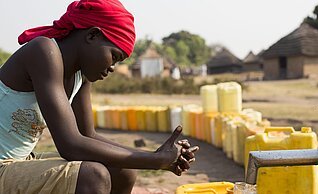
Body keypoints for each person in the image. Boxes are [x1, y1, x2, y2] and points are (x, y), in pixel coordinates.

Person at [0, 0, 199, 193]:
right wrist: (155, 161)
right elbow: (70, 145)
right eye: (114, 56)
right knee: (92, 175)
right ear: (93, 35)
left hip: (21, 161)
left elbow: (87, 136)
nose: (113, 67)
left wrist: (155, 155)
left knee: (122, 171)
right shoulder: (42, 51)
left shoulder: (80, 76)